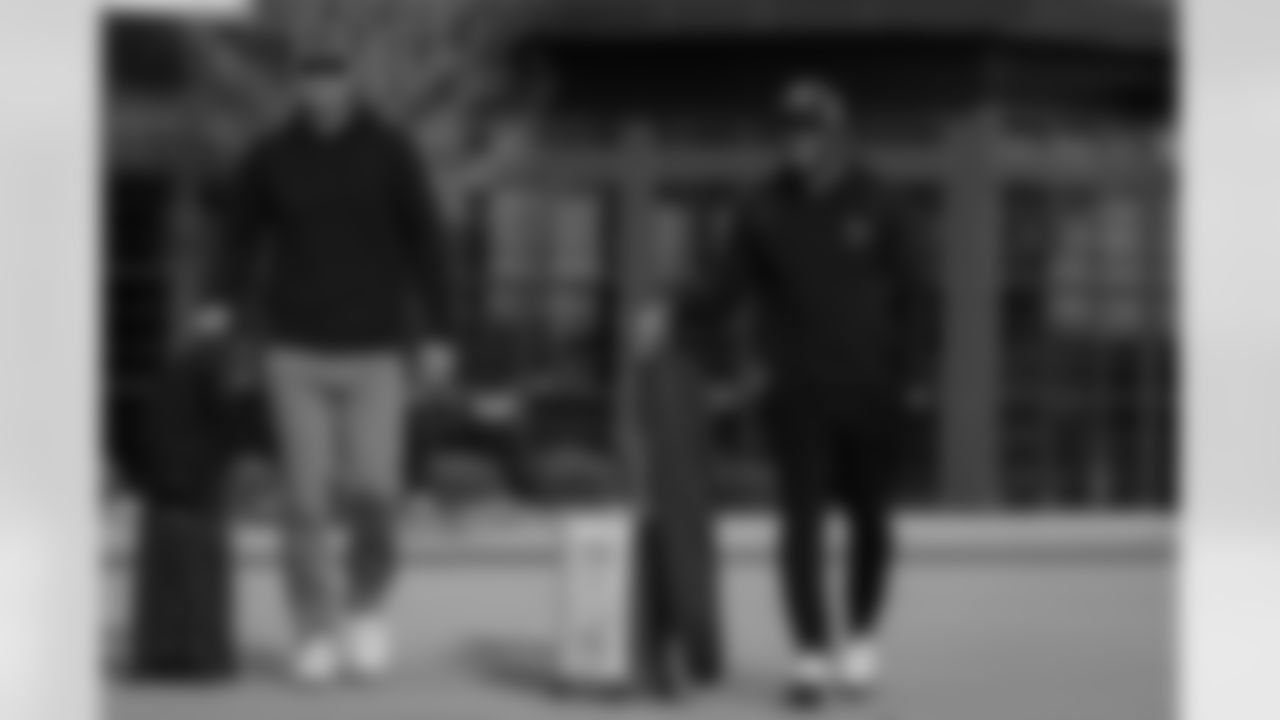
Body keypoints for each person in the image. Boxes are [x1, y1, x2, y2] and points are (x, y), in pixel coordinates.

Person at [635, 78, 921, 708]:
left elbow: (914, 297)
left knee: (872, 524)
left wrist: (904, 378)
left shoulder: (881, 201)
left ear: (836, 133)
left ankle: (862, 638)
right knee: (800, 527)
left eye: (810, 130)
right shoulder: (764, 208)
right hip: (797, 395)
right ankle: (810, 654)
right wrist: (673, 317)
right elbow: (723, 287)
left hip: (872, 395)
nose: (797, 141)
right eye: (789, 130)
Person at [189, 49, 457, 685]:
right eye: (311, 80)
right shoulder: (272, 156)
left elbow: (428, 239)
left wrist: (442, 332)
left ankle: (364, 609)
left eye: (333, 79)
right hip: (295, 353)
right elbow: (238, 234)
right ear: (298, 86)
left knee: (378, 492)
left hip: (377, 354)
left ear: (352, 82)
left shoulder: (392, 152)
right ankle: (313, 628)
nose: (323, 91)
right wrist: (219, 301)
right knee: (305, 502)